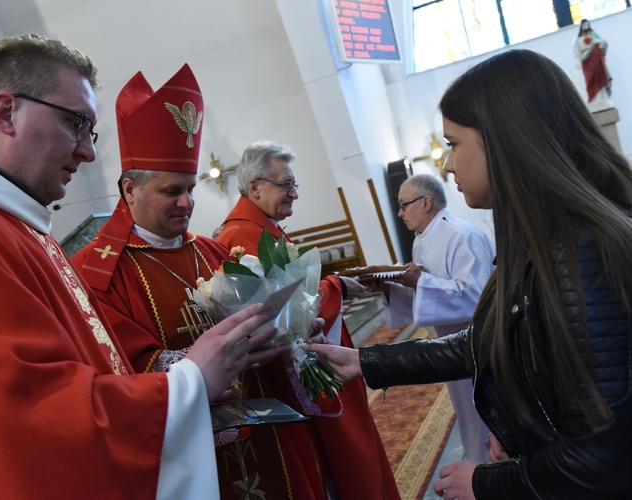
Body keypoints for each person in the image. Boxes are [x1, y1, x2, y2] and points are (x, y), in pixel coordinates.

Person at [0, 34, 283, 499]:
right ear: (6, 112)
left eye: (89, 132)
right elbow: (28, 415)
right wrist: (189, 382)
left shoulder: (8, 222)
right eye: (76, 124)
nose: (88, 152)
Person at [305, 48, 632, 499]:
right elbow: (491, 336)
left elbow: (604, 460)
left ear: (504, 139)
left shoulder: (579, 253)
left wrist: (486, 481)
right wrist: (366, 361)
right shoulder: (539, 233)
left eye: (454, 144)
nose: (448, 164)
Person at [72, 71, 353, 499]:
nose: (187, 202)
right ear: (130, 189)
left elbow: (269, 331)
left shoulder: (217, 254)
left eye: (189, 188)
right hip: (194, 461)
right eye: (171, 191)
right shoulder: (96, 274)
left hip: (270, 440)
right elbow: (119, 375)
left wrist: (293, 336)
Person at [216, 140, 400, 499]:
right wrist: (336, 287)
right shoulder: (240, 234)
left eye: (294, 184)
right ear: (254, 186)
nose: (295, 194)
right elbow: (278, 312)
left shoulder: (263, 227)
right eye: (286, 184)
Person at [384, 173, 494, 463]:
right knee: (469, 417)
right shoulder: (422, 240)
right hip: (449, 347)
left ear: (426, 202)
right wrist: (390, 287)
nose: (400, 212)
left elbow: (478, 298)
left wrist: (421, 281)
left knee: (488, 415)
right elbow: (428, 298)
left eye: (403, 205)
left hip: (478, 347)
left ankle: (494, 474)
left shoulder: (462, 235)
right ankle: (477, 468)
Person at [573, 18, 612, 110]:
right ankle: (594, 100)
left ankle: (604, 98)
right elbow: (576, 52)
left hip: (598, 61)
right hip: (587, 62)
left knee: (600, 78)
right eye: (584, 25)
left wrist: (599, 43)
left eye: (587, 25)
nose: (586, 27)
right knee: (590, 80)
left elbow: (603, 43)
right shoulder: (577, 39)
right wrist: (578, 61)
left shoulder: (593, 34)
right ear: (581, 27)